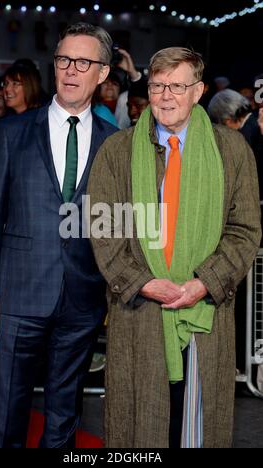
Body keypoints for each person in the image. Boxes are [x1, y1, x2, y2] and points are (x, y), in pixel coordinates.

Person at [87, 47, 261, 448]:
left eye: (177, 86)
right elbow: (104, 231)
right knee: (140, 427)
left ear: (197, 91)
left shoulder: (232, 151)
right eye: (158, 85)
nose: (165, 95)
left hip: (206, 314)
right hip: (140, 312)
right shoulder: (117, 151)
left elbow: (244, 230)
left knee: (199, 425)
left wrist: (203, 283)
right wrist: (146, 284)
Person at [0, 22, 117, 448]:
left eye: (84, 62)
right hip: (18, 295)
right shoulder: (14, 132)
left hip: (82, 300)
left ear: (103, 73)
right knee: (8, 415)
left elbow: (118, 222)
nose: (71, 70)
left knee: (64, 415)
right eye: (63, 60)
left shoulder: (117, 142)